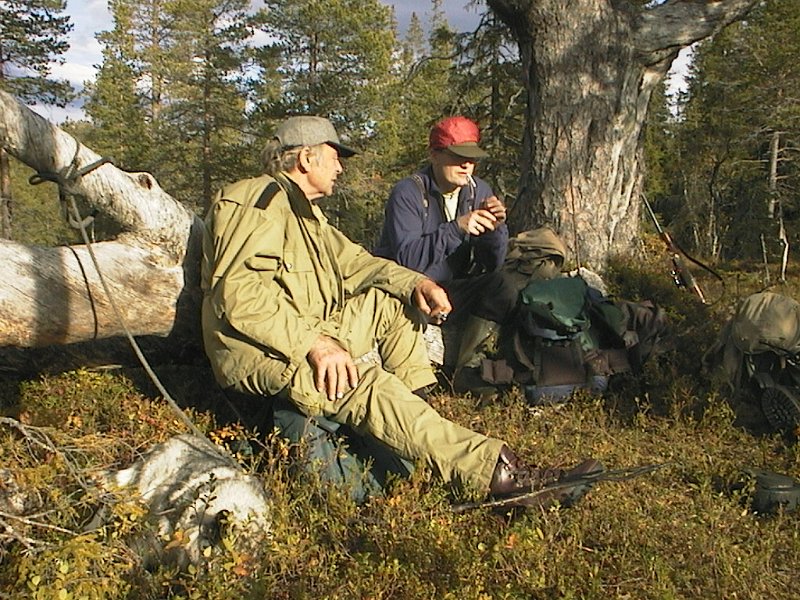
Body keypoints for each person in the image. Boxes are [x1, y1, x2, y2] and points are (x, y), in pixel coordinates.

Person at [201, 115, 602, 508]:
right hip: (262, 351)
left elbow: (362, 263)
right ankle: (503, 476)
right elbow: (238, 296)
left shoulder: (307, 215)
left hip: (307, 331)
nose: (340, 166)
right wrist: (315, 343)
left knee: (396, 302)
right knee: (365, 385)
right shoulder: (257, 201)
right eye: (334, 155)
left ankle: (417, 415)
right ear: (306, 159)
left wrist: (416, 284)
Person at [374, 116, 519, 391]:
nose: (467, 165)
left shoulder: (479, 190)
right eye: (457, 157)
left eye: (472, 159)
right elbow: (409, 261)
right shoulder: (408, 193)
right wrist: (458, 228)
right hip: (411, 291)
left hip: (454, 290)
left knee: (504, 286)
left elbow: (492, 263)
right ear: (435, 155)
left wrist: (495, 229)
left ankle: (469, 369)